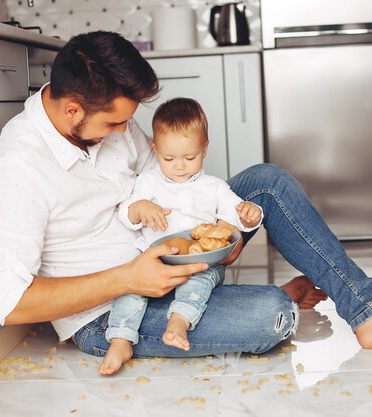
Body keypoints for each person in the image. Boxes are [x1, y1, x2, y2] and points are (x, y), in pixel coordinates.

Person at [0, 31, 372, 365]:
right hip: (110, 310)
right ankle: (276, 297)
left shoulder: (107, 123)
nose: (125, 133)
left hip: (175, 251)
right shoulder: (20, 169)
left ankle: (370, 311)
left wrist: (219, 220)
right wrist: (130, 276)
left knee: (267, 182)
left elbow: (166, 181)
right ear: (71, 110)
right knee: (270, 316)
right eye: (114, 124)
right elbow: (9, 302)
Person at [100, 97, 263, 375]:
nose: (179, 166)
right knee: (130, 290)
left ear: (204, 149)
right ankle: (120, 338)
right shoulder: (149, 181)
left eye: (190, 158)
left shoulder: (214, 187)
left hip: (199, 262)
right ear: (155, 150)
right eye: (168, 158)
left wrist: (252, 215)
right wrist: (142, 208)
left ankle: (178, 322)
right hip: (156, 259)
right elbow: (126, 212)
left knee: (197, 284)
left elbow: (235, 215)